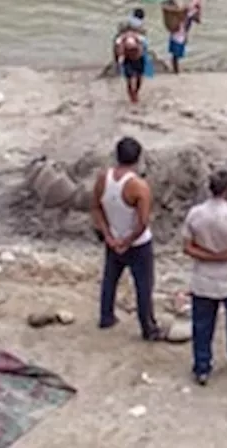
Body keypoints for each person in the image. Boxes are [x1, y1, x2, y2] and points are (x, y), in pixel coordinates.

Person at [182, 169, 227, 385]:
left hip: (202, 277)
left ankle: (202, 366)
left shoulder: (195, 214)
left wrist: (209, 256)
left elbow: (187, 248)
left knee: (202, 323)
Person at [92, 136, 165, 341]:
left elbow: (96, 207)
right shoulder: (139, 187)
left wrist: (109, 236)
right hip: (137, 244)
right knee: (143, 286)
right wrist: (127, 241)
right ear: (138, 158)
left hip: (113, 239)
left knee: (109, 280)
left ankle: (106, 316)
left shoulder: (102, 178)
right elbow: (142, 222)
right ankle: (148, 328)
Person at [114, 15, 150, 104]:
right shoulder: (121, 39)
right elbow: (118, 50)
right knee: (132, 79)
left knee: (135, 79)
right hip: (131, 59)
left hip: (135, 58)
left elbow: (117, 50)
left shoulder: (123, 39)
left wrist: (118, 60)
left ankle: (134, 93)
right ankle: (133, 95)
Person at [167, 0, 203, 75]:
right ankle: (176, 71)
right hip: (178, 36)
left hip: (178, 35)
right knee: (176, 55)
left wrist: (198, 9)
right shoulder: (183, 12)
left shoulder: (182, 12)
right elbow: (197, 20)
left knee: (175, 55)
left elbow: (197, 20)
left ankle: (175, 70)